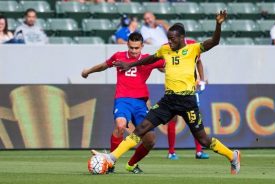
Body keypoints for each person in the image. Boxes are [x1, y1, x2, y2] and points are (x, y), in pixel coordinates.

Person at [96, 10, 241, 175]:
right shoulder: (165, 50)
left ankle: (233, 155)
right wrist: (130, 65)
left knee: (203, 139)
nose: (169, 42)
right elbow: (150, 59)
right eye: (168, 39)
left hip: (187, 101)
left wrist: (218, 24)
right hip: (168, 100)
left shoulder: (194, 49)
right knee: (142, 128)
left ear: (181, 38)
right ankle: (111, 158)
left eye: (172, 39)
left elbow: (214, 41)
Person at [82, 32, 165, 174]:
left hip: (140, 103)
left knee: (150, 140)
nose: (133, 51)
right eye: (131, 47)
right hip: (122, 100)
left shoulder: (148, 59)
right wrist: (88, 71)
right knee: (120, 125)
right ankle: (110, 163)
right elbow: (104, 65)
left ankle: (131, 164)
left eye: (136, 48)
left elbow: (166, 67)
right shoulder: (118, 56)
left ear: (142, 46)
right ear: (127, 44)